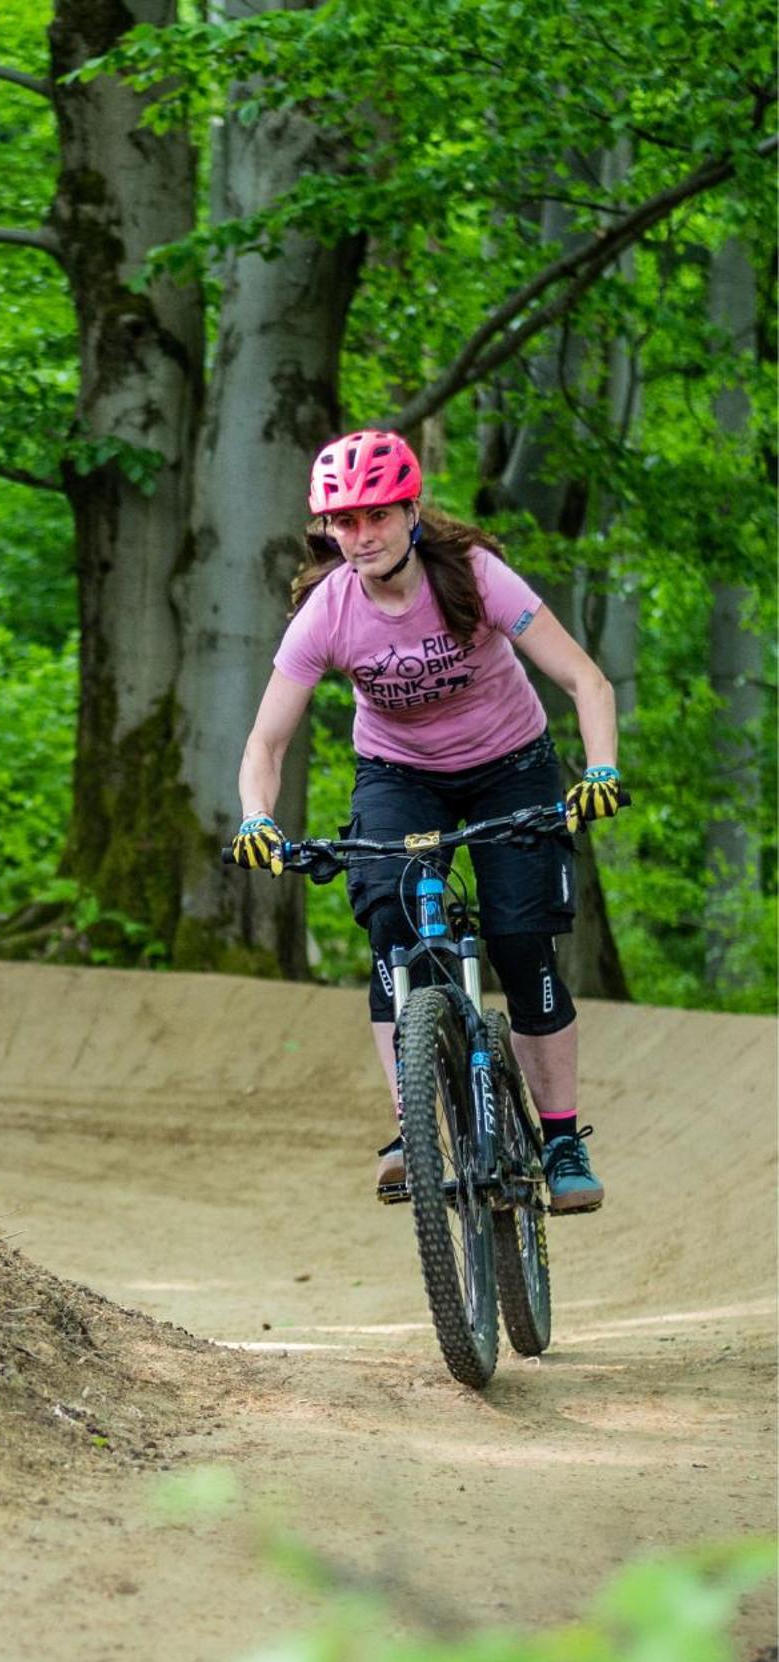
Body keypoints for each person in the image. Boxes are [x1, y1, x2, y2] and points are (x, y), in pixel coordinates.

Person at [230, 428, 625, 1213]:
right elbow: (265, 740)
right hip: (398, 777)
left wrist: (602, 769)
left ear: (411, 511)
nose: (360, 535)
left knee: (520, 942)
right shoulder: (326, 612)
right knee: (392, 928)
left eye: (375, 515)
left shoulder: (474, 579)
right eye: (342, 521)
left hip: (510, 766)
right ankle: (414, 1129)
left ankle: (557, 1137)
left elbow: (584, 679)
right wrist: (255, 818)